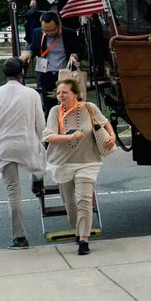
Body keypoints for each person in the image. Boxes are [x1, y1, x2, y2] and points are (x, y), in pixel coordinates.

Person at [0, 59, 47, 249]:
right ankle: (37, 177)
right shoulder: (31, 94)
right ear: (22, 73)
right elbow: (40, 125)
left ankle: (20, 238)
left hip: (3, 146)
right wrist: (42, 141)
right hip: (26, 143)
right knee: (38, 160)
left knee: (13, 193)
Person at [42, 78, 115, 256]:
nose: (61, 95)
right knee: (70, 204)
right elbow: (49, 137)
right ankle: (78, 229)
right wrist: (70, 137)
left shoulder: (89, 107)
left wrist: (112, 136)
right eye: (58, 92)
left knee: (84, 200)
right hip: (63, 163)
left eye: (65, 92)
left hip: (88, 161)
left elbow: (104, 122)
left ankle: (83, 239)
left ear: (75, 94)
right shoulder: (55, 111)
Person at [20, 12, 81, 117]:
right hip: (46, 73)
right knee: (49, 105)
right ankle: (50, 128)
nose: (49, 33)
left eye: (52, 30)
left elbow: (80, 51)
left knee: (67, 103)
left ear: (58, 25)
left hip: (63, 73)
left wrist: (76, 55)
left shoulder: (69, 34)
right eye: (45, 30)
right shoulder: (37, 33)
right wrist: (29, 53)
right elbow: (33, 47)